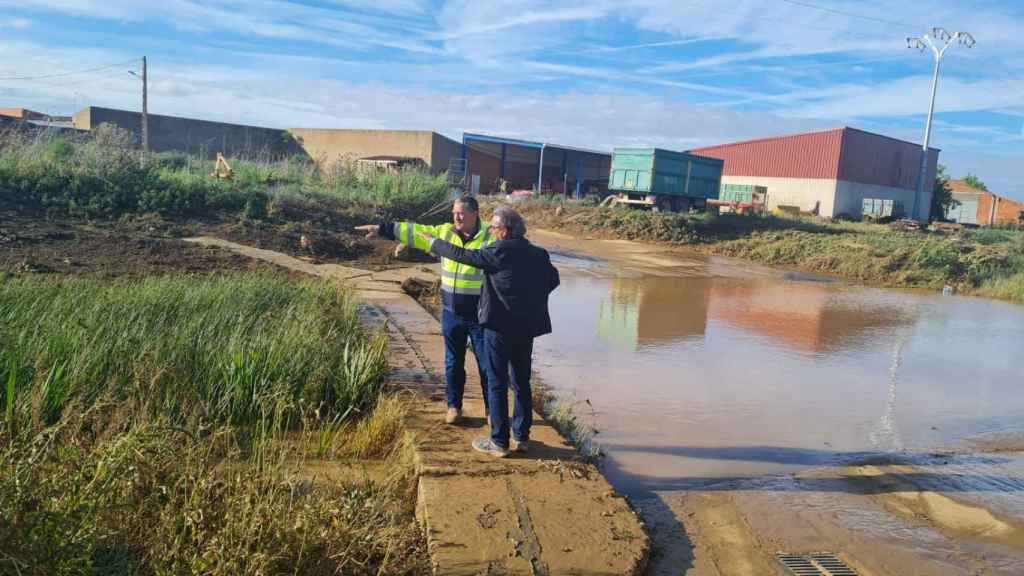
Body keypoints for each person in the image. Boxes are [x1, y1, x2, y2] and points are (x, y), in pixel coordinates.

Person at [418, 206, 560, 457]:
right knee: (521, 382)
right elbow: (553, 280)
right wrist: (528, 300)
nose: (491, 231)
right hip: (526, 329)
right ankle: (521, 437)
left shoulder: (497, 251)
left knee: (496, 382)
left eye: (493, 227)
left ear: (504, 231)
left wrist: (436, 243)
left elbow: (464, 256)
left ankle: (499, 442)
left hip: (499, 328)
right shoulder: (538, 254)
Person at [355, 196, 493, 425]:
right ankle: (454, 407)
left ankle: (492, 411)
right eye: (454, 213)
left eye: (461, 213)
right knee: (453, 362)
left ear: (475, 214)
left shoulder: (489, 236)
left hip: (479, 313)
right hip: (451, 311)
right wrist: (382, 228)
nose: (456, 217)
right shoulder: (445, 232)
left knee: (486, 363)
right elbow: (414, 231)